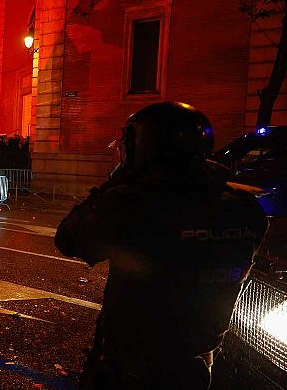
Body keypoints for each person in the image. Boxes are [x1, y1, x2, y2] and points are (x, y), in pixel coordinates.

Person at [54, 102, 268, 390]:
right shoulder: (244, 207)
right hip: (198, 364)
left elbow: (69, 239)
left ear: (146, 147)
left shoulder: (134, 204)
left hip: (132, 367)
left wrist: (116, 184)